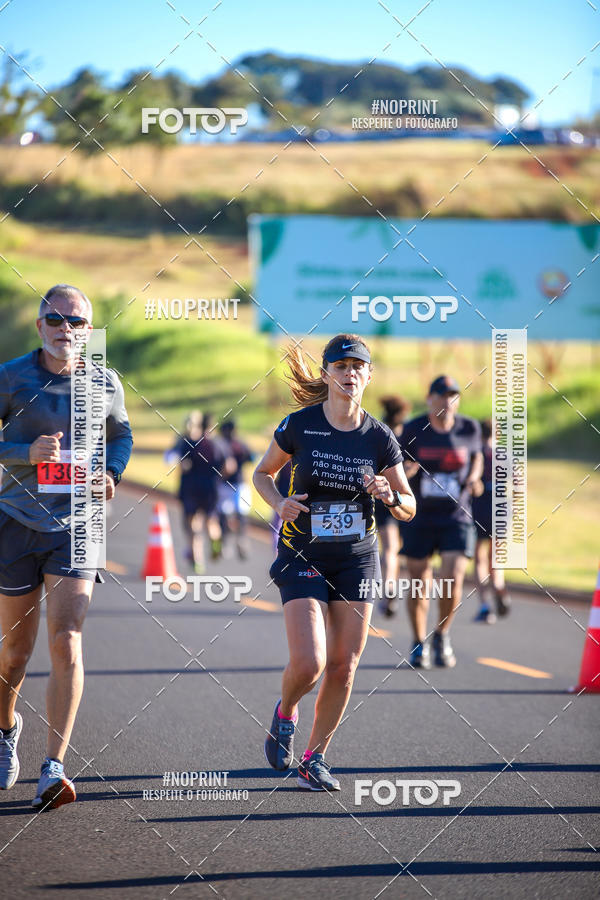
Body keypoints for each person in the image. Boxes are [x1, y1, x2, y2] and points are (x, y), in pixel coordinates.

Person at [253, 334, 415, 791]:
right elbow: (262, 474)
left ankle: (315, 758)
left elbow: (409, 505)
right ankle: (285, 712)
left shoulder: (379, 437)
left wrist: (391, 496)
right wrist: (279, 503)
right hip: (303, 553)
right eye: (340, 366)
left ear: (368, 375)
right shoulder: (299, 425)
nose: (349, 374)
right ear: (326, 375)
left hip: (357, 558)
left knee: (345, 665)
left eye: (357, 366)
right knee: (310, 663)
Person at [0, 284, 132, 809]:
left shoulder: (104, 381)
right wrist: (21, 451)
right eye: (56, 320)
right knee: (14, 654)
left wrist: (112, 472)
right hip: (14, 520)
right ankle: (6, 728)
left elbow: (120, 435)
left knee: (66, 640)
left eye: (77, 323)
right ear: (40, 326)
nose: (67, 331)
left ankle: (53, 767)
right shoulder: (11, 377)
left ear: (90, 330)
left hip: (79, 524)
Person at [400, 375, 483, 669]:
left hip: (456, 516)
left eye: (453, 395)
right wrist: (407, 473)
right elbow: (400, 467)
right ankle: (418, 640)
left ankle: (442, 635)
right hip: (419, 517)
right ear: (430, 399)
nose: (448, 401)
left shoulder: (469, 427)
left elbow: (476, 458)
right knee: (419, 582)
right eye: (442, 395)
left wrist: (473, 479)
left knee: (452, 577)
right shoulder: (413, 429)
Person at [165, 412, 230, 573]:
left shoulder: (190, 443)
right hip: (211, 488)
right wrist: (218, 477)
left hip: (192, 488)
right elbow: (229, 466)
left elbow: (181, 464)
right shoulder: (219, 444)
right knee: (211, 520)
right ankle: (215, 541)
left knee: (192, 523)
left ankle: (197, 559)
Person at [375, 396, 411, 617]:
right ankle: (389, 589)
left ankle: (388, 587)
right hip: (400, 498)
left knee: (388, 547)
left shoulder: (376, 432)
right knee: (393, 547)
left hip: (381, 497)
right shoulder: (405, 436)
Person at [472, 419, 511, 623]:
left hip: (479, 504)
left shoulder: (476, 452)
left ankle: (485, 605)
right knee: (496, 556)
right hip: (501, 504)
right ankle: (499, 587)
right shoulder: (504, 453)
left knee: (479, 556)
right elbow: (519, 481)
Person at [215, 420, 254, 560]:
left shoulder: (220, 444)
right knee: (240, 514)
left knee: (225, 514)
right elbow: (252, 458)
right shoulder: (240, 444)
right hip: (238, 484)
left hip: (227, 484)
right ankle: (240, 541)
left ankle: (227, 544)